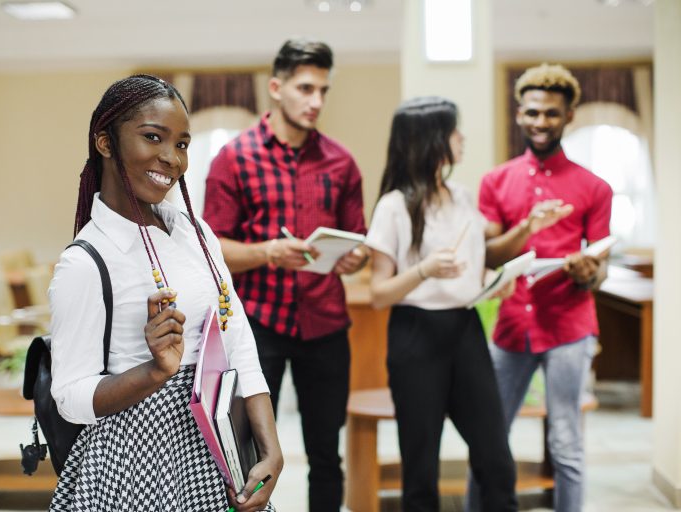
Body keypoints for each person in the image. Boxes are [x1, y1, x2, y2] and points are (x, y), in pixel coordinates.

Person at [48, 74, 283, 512]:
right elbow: (70, 398)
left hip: (214, 447)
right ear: (105, 142)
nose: (171, 158)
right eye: (153, 137)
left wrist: (270, 448)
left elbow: (238, 342)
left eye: (181, 144)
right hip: (134, 460)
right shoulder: (85, 262)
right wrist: (154, 373)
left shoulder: (195, 233)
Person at [202, 38, 368, 512]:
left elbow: (358, 239)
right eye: (305, 88)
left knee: (325, 454)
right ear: (276, 87)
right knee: (243, 452)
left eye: (323, 91)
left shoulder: (342, 161)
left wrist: (354, 258)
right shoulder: (235, 158)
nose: (315, 101)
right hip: (257, 327)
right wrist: (269, 252)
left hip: (327, 327)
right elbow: (212, 252)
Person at [466, 64, 613, 512]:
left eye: (551, 113)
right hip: (511, 327)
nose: (540, 122)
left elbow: (600, 272)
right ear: (519, 113)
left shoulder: (595, 187)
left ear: (568, 115)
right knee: (488, 440)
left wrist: (587, 269)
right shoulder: (496, 181)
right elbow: (488, 253)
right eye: (532, 112)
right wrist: (526, 228)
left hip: (570, 327)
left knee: (566, 442)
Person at [365, 96, 518, 512]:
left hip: (466, 332)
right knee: (420, 470)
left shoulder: (463, 197)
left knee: (496, 459)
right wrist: (424, 270)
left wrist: (491, 283)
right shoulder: (394, 206)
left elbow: (472, 270)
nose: (462, 138)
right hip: (415, 338)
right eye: (454, 130)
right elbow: (379, 294)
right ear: (432, 139)